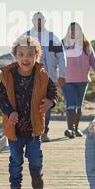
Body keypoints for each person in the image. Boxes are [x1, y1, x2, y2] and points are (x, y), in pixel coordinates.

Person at [0, 35, 58, 189]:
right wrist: (9, 112)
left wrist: (50, 102)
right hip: (14, 128)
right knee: (15, 161)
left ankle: (36, 173)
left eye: (30, 55)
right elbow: (1, 98)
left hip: (34, 127)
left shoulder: (42, 76)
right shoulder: (7, 76)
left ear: (36, 56)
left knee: (35, 157)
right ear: (15, 56)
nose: (26, 58)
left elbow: (53, 92)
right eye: (21, 54)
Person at [25, 12, 66, 142]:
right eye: (36, 20)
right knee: (30, 104)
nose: (38, 22)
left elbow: (61, 57)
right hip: (29, 78)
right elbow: (17, 56)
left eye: (41, 20)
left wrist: (63, 75)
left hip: (50, 78)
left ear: (45, 21)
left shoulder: (52, 37)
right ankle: (31, 130)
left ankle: (43, 132)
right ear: (32, 21)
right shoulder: (26, 37)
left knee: (47, 105)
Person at [62, 22, 95, 139]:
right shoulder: (63, 44)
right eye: (72, 30)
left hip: (83, 80)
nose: (74, 32)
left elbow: (93, 61)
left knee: (78, 106)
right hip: (67, 80)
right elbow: (57, 59)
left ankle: (76, 128)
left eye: (76, 30)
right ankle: (70, 129)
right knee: (71, 104)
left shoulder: (86, 45)